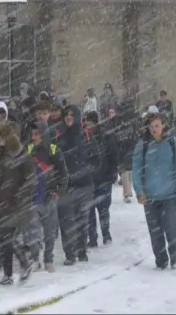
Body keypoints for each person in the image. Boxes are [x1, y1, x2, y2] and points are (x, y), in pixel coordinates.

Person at [0, 121, 35, 285]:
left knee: (7, 237)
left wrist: (19, 196)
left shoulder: (22, 155)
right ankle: (13, 271)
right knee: (5, 238)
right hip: (0, 202)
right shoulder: (0, 153)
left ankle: (18, 268)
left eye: (0, 137)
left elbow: (31, 180)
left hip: (14, 202)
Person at [132, 112, 176, 270]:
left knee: (170, 227)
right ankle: (161, 259)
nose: (154, 129)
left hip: (169, 196)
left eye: (157, 126)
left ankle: (174, 256)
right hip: (149, 197)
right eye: (151, 127)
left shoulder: (173, 144)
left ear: (163, 125)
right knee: (155, 231)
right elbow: (136, 170)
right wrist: (140, 191)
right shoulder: (142, 146)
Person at [54, 105, 99, 264]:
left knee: (82, 220)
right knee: (66, 221)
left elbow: (96, 160)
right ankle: (70, 254)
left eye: (72, 115)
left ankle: (81, 250)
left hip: (84, 185)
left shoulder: (86, 136)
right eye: (66, 114)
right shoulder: (58, 138)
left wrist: (83, 171)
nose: (68, 117)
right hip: (65, 187)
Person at [27, 121, 68, 272]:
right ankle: (35, 259)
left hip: (49, 196)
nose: (34, 137)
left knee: (50, 232)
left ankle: (48, 260)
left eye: (37, 134)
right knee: (33, 232)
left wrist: (59, 191)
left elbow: (64, 173)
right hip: (33, 197)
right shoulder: (28, 150)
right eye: (32, 134)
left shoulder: (54, 150)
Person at [83, 111, 118, 247]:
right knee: (90, 210)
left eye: (89, 122)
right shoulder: (82, 138)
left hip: (104, 178)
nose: (87, 125)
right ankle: (92, 237)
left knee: (103, 209)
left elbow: (113, 155)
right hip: (88, 180)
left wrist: (113, 172)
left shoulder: (106, 137)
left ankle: (106, 233)